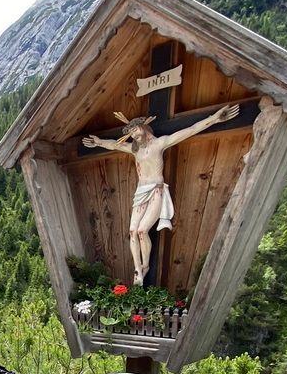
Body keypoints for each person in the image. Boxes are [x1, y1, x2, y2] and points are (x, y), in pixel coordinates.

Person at [82, 104, 239, 286]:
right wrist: (98, 142)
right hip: (140, 193)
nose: (133, 135)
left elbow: (190, 130)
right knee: (132, 231)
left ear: (144, 126)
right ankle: (137, 270)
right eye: (131, 132)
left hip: (156, 190)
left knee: (142, 231)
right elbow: (115, 145)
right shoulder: (135, 150)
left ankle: (145, 266)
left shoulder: (160, 143)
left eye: (135, 130)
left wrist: (214, 118)